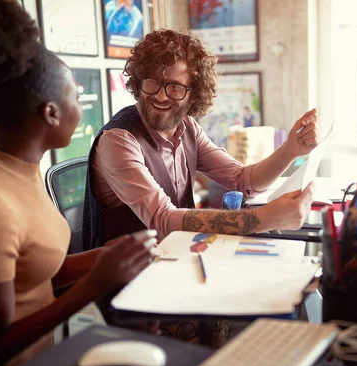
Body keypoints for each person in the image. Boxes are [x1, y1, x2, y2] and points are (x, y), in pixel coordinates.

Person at [0, 1, 155, 366]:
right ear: (50, 112)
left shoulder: (20, 168)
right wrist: (95, 283)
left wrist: (107, 255)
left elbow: (34, 272)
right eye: (75, 92)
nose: (81, 100)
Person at [84, 29, 319, 249]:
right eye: (152, 82)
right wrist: (261, 219)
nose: (160, 96)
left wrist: (290, 150)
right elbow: (162, 219)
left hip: (177, 257)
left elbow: (242, 181)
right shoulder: (118, 140)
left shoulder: (187, 128)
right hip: (126, 278)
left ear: (193, 93)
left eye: (175, 87)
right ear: (139, 82)